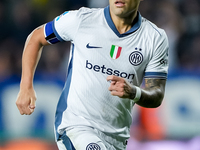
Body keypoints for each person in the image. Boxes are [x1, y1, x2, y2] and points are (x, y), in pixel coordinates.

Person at [16, 0, 169, 149]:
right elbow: (36, 38)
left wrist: (133, 92)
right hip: (76, 127)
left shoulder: (155, 38)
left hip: (117, 138)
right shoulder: (81, 20)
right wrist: (25, 86)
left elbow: (156, 95)